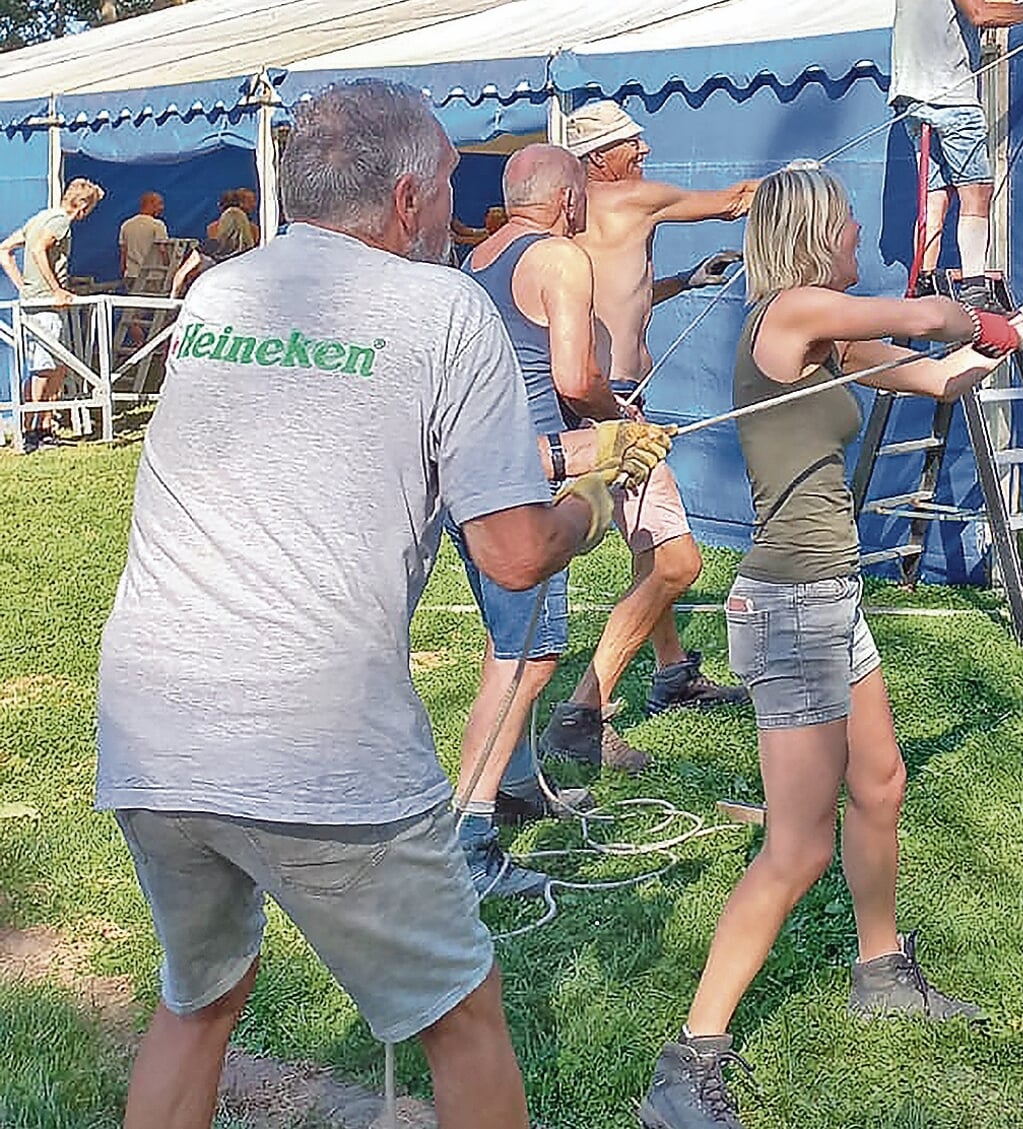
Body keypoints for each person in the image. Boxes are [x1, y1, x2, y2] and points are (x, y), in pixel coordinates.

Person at [92, 79, 669, 1129]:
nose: (462, 215)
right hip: (316, 738)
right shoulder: (440, 305)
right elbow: (509, 552)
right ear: (408, 198)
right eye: (453, 188)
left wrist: (553, 454)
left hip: (150, 721)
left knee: (201, 1002)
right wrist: (593, 495)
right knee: (463, 1018)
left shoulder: (223, 293)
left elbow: (344, 437)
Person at [634, 163, 1023, 1129]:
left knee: (880, 782)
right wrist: (975, 317)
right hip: (789, 604)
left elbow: (939, 375)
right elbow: (935, 325)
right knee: (795, 845)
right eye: (847, 218)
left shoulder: (828, 341)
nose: (858, 233)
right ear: (814, 231)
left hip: (829, 600)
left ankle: (881, 969)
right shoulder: (792, 311)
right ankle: (690, 1059)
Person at [446, 142, 674, 899]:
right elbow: (575, 378)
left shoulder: (474, 261)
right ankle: (469, 838)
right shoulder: (561, 259)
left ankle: (514, 789)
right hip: (529, 476)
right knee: (529, 658)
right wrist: (620, 422)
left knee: (508, 641)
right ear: (570, 197)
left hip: (470, 469)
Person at [536, 101, 759, 772]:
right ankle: (581, 713)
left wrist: (683, 282)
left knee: (647, 545)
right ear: (601, 157)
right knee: (677, 562)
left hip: (595, 405)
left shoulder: (576, 218)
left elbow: (621, 295)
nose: (645, 150)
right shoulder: (631, 197)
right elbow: (733, 202)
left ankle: (670, 674)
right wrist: (801, 181)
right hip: (612, 411)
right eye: (632, 142)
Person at [891, 0, 1023, 306]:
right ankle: (975, 286)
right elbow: (980, 12)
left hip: (910, 98)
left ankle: (923, 282)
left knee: (936, 199)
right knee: (976, 193)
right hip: (950, 94)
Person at [0, 177, 105, 452]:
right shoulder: (60, 221)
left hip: (36, 302)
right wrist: (55, 289)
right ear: (82, 206)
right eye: (90, 208)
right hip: (45, 305)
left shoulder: (39, 217)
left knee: (58, 366)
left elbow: (4, 250)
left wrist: (23, 286)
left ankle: (45, 426)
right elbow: (37, 249)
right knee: (43, 370)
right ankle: (29, 431)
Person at [119, 191, 169, 282]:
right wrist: (169, 270)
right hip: (152, 277)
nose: (162, 208)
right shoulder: (158, 225)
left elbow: (123, 253)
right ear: (150, 204)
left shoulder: (126, 225)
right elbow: (162, 251)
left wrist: (124, 273)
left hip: (131, 275)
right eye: (160, 204)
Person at [203, 188, 260, 261]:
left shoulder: (211, 228)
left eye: (254, 200)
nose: (254, 205)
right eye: (250, 201)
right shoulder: (254, 229)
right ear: (241, 203)